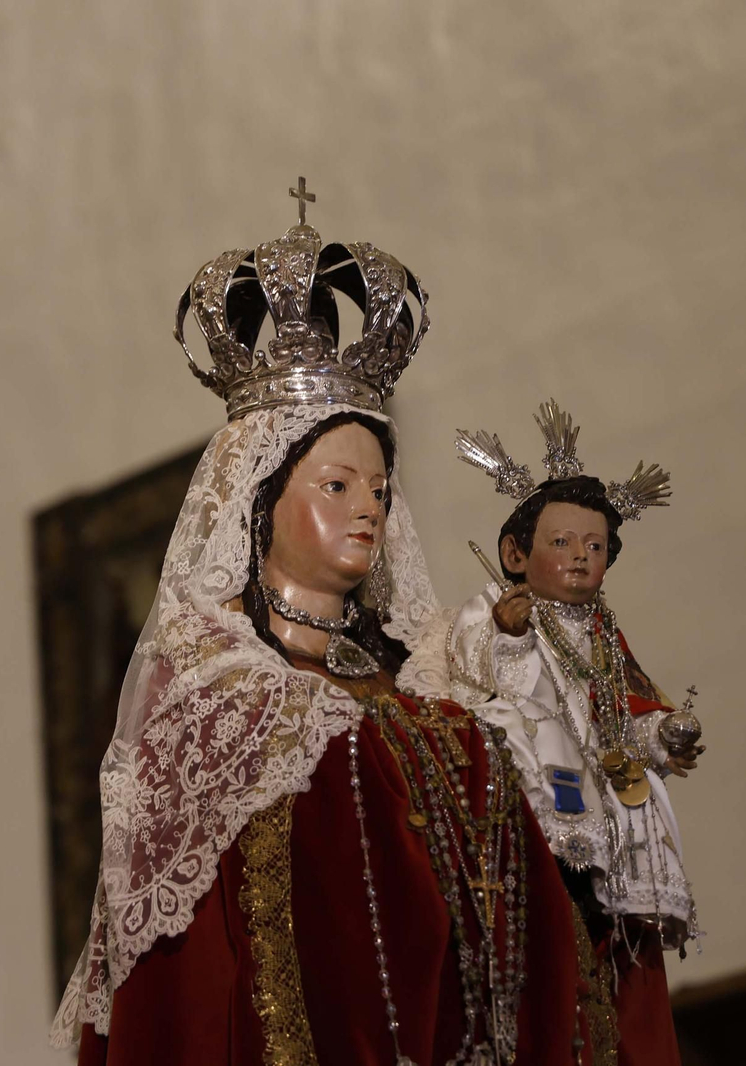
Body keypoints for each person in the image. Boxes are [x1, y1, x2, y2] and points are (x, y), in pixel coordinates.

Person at [52, 207, 608, 1065]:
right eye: (338, 484)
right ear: (262, 499)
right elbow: (193, 987)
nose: (367, 511)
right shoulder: (216, 696)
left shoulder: (422, 677)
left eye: (381, 491)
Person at [424, 401, 704, 1066]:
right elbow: (479, 690)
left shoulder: (604, 634)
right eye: (561, 543)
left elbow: (626, 718)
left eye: (595, 546)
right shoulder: (491, 615)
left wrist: (668, 734)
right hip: (545, 825)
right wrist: (511, 637)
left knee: (627, 995)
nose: (580, 557)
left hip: (617, 819)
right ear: (514, 553)